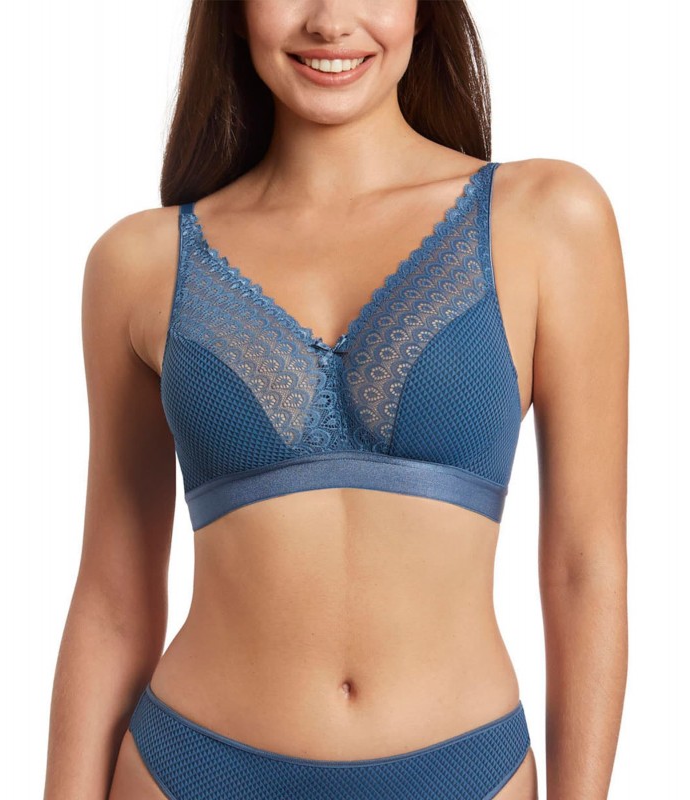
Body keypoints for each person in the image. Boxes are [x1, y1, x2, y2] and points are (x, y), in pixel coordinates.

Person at [43, 1, 629, 798]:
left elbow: (584, 568)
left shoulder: (547, 219)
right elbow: (112, 604)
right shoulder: (139, 263)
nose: (329, 22)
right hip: (190, 770)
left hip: (462, 774)